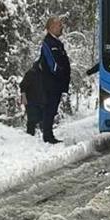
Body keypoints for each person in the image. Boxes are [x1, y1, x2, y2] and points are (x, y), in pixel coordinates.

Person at [39, 16, 71, 144]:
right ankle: (47, 136)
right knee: (50, 108)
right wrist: (61, 73)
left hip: (57, 84)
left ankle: (49, 134)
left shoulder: (57, 43)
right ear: (51, 27)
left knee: (53, 108)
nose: (61, 27)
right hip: (51, 83)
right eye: (59, 25)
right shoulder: (48, 43)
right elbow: (52, 64)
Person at [19, 62, 45, 136]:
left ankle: (44, 138)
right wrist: (23, 97)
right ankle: (30, 138)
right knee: (32, 120)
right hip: (31, 101)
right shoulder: (31, 73)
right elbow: (23, 86)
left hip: (42, 101)